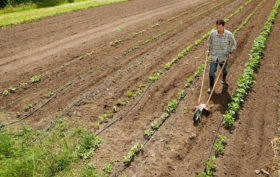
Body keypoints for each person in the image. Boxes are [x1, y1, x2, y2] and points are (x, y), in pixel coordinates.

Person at [207, 19, 237, 94]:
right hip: (214, 56)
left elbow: (234, 44)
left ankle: (223, 79)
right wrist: (208, 49)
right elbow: (209, 42)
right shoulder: (213, 33)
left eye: (220, 27)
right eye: (217, 27)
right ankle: (211, 87)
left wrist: (230, 50)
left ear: (224, 26)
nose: (218, 29)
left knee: (224, 70)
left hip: (224, 56)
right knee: (211, 73)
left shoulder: (229, 34)